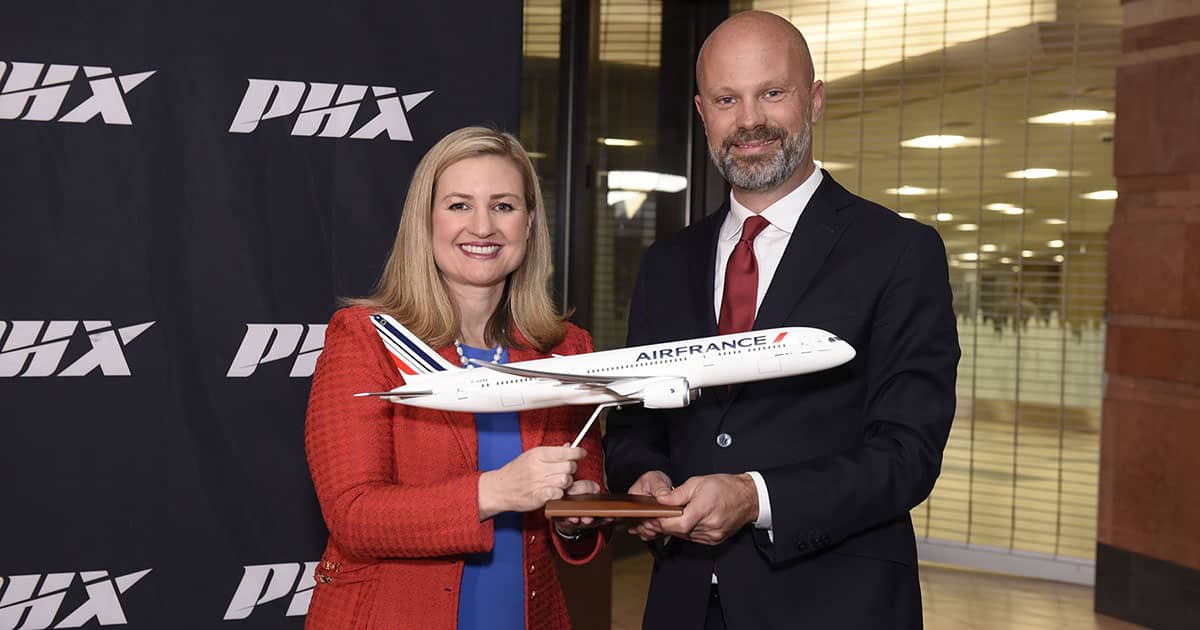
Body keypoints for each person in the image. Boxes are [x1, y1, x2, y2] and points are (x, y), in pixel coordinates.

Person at [604, 11, 960, 630]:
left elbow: (908, 453)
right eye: (726, 98)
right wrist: (644, 476)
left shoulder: (899, 251)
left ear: (814, 100)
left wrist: (756, 497)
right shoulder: (665, 264)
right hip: (683, 602)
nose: (749, 120)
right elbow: (636, 422)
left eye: (772, 92)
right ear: (701, 112)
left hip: (836, 604)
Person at [304, 126, 606, 629]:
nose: (483, 227)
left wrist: (577, 516)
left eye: (504, 206)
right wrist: (498, 491)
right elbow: (354, 514)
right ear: (425, 221)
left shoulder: (567, 349)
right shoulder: (364, 338)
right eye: (460, 205)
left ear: (530, 223)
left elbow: (581, 492)